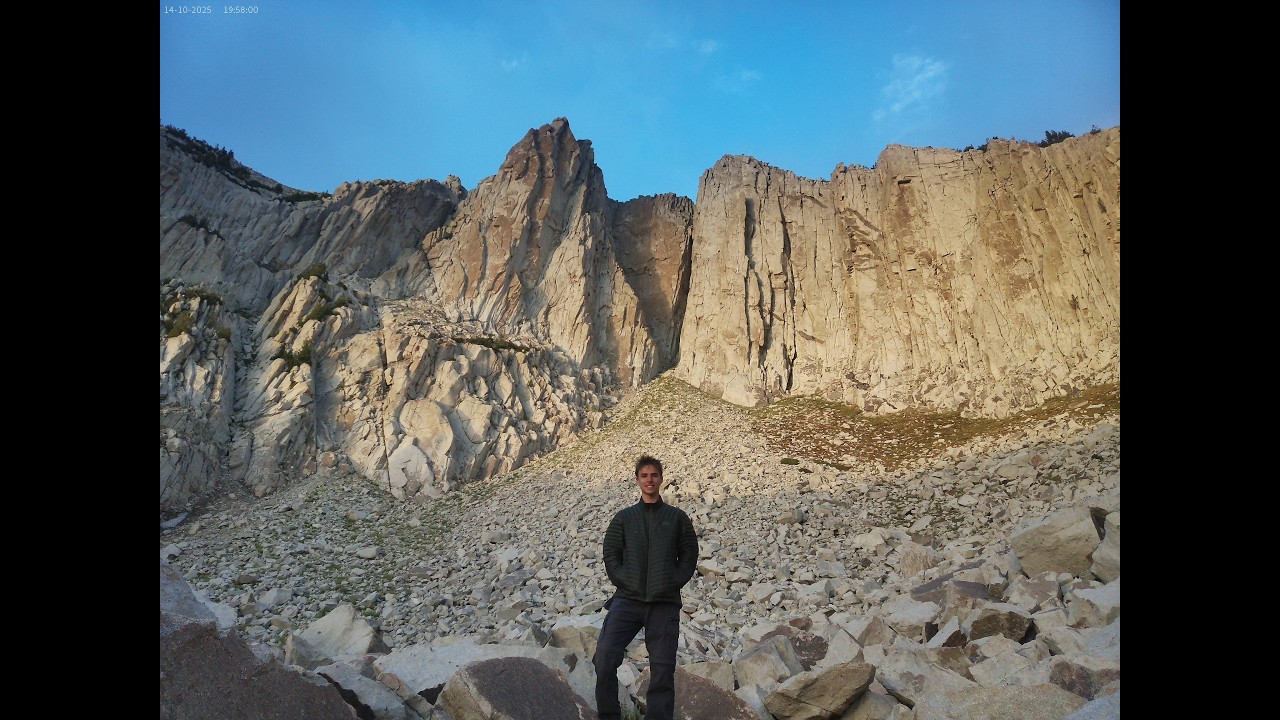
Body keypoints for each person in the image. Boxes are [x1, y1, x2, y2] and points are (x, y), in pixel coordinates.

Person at [593, 454, 699, 720]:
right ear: (637, 480)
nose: (649, 480)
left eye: (654, 475)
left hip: (664, 604)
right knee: (605, 657)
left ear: (661, 479)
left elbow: (689, 554)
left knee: (663, 669)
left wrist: (673, 581)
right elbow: (610, 552)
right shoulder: (624, 518)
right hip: (627, 600)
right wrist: (622, 579)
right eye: (644, 475)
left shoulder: (677, 518)